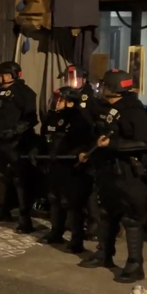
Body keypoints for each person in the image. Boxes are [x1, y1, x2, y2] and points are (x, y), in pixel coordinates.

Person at [78, 69, 147, 283]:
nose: (101, 88)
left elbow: (142, 142)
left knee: (131, 217)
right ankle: (104, 253)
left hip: (127, 171)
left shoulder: (134, 111)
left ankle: (135, 264)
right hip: (106, 169)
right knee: (106, 213)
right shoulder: (102, 107)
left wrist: (114, 144)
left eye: (105, 85)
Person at [36, 87, 92, 253]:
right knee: (54, 198)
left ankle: (76, 238)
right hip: (54, 165)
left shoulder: (80, 118)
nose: (56, 102)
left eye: (59, 99)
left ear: (69, 102)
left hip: (71, 166)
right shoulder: (52, 116)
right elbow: (45, 137)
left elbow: (85, 141)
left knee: (72, 203)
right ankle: (56, 231)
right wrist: (38, 151)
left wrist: (75, 154)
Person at [0, 61, 39, 234]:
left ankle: (25, 219)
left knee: (20, 180)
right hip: (1, 141)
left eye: (2, 74)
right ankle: (4, 209)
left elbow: (32, 118)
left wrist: (16, 131)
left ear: (12, 74)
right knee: (3, 176)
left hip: (18, 143)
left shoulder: (24, 92)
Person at [60, 64, 100, 241]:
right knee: (72, 187)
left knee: (89, 188)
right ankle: (74, 221)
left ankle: (95, 224)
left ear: (83, 79)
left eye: (74, 78)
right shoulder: (64, 95)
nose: (71, 81)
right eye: (69, 78)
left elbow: (93, 123)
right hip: (70, 146)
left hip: (87, 147)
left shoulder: (91, 97)